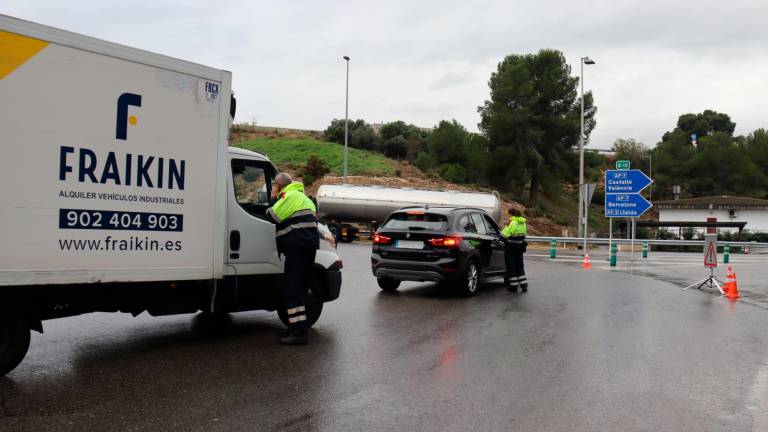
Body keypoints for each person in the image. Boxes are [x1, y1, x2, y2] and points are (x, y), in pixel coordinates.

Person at [267, 172, 319, 345]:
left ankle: (298, 333)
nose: (273, 188)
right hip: (307, 249)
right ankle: (297, 328)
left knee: (292, 290)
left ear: (279, 185)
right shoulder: (304, 198)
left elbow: (272, 216)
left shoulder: (289, 196)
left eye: (274, 185)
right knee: (299, 290)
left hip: (298, 249)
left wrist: (273, 199)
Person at [502, 207, 528, 293]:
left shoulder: (513, 222)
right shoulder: (523, 223)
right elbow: (524, 234)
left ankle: (513, 286)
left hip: (511, 247)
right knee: (520, 265)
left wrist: (504, 229)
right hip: (519, 247)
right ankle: (524, 285)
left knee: (511, 266)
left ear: (511, 214)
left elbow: (506, 234)